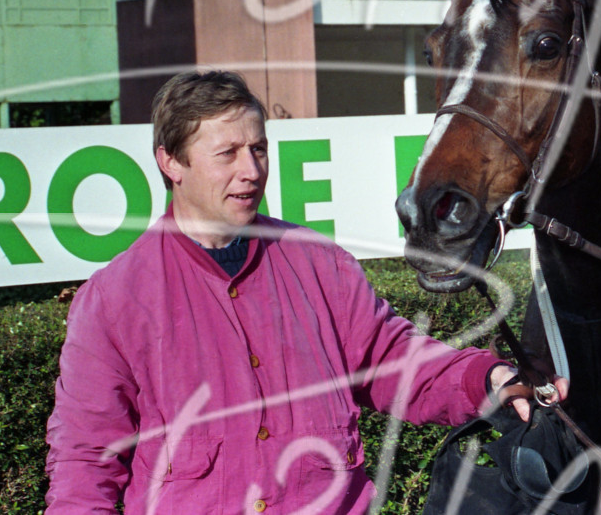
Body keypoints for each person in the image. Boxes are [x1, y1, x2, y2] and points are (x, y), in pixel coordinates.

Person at [46, 70, 558, 513]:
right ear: (171, 163)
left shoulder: (317, 262)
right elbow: (84, 458)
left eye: (258, 149)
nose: (251, 171)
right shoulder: (113, 299)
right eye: (227, 154)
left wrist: (487, 377)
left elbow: (392, 360)